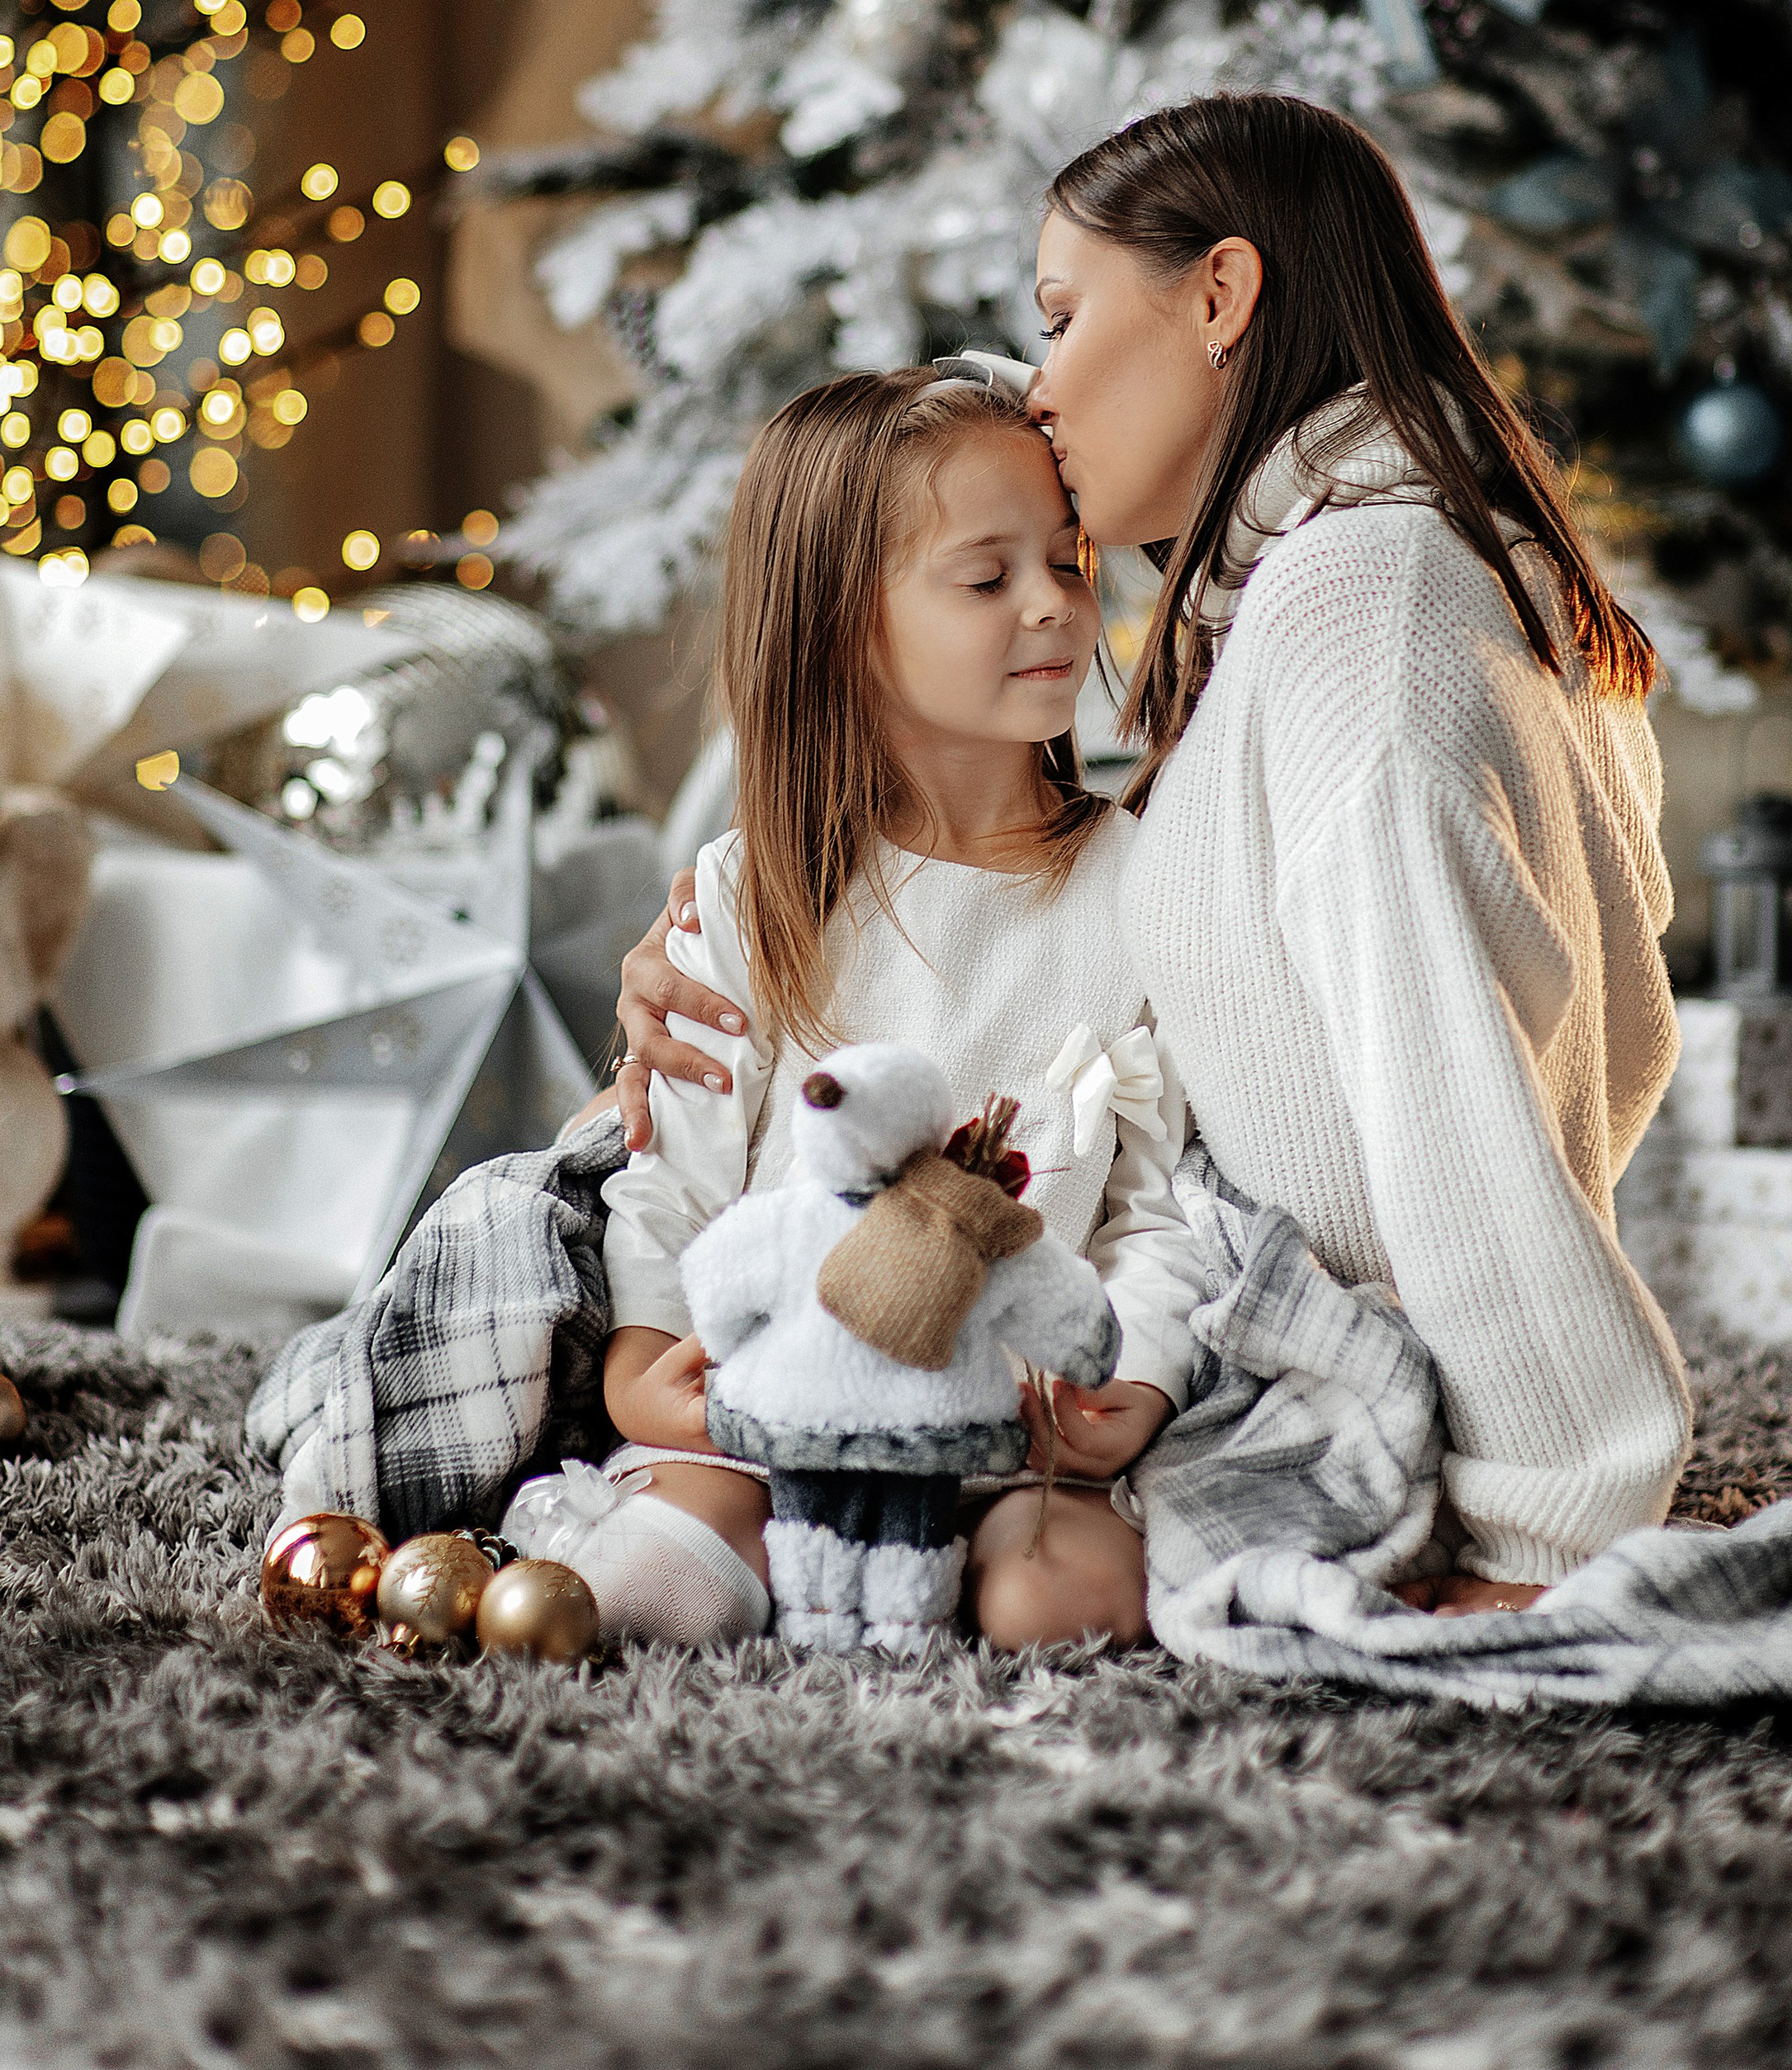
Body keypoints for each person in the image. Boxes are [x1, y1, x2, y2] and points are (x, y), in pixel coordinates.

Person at [616, 95, 1694, 1617]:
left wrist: (1543, 1537)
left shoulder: (1360, 627)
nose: (1042, 386)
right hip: (1193, 1319)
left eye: (1057, 320)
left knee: (1043, 1589)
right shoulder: (1344, 552)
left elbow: (1464, 1107)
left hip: (1299, 1359)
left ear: (1220, 296)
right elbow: (940, 483)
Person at [567, 366, 1199, 1650]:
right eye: (988, 578)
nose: (1055, 608)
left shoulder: (1147, 886)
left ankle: (949, 1570)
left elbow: (1160, 1200)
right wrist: (645, 1368)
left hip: (1019, 1433)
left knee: (1050, 1606)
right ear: (844, 625)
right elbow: (671, 1172)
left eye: (1070, 563)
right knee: (663, 1576)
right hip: (778, 1407)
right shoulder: (759, 891)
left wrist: (1138, 1372)